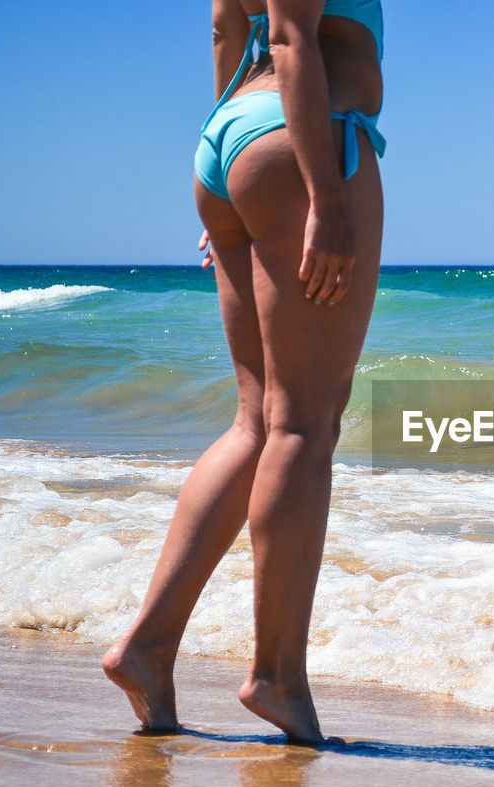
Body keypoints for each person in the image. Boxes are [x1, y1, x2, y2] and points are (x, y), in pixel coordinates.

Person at [103, 0, 385, 745]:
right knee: (304, 422)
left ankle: (148, 647)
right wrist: (325, 196)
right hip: (301, 140)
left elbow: (231, 29)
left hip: (230, 138)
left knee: (257, 422)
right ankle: (278, 677)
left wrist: (236, 174)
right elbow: (292, 35)